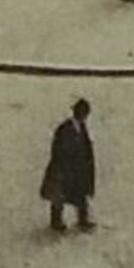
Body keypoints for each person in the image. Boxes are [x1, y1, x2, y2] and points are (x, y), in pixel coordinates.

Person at [40, 98, 96, 232]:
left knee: (80, 193)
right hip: (63, 168)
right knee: (59, 195)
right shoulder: (65, 128)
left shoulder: (81, 127)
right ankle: (56, 222)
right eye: (83, 113)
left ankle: (83, 220)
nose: (84, 116)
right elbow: (58, 149)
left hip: (77, 168)